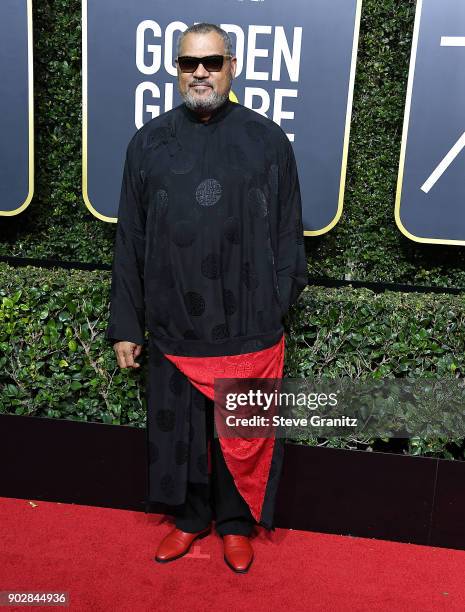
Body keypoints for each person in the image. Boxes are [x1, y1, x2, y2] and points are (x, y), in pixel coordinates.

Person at [105, 22, 308, 574]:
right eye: (189, 63)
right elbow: (131, 238)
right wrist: (128, 324)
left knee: (239, 433)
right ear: (176, 70)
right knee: (183, 431)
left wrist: (276, 303)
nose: (201, 72)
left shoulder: (268, 141)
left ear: (232, 68)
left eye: (213, 62)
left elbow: (290, 233)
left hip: (248, 324)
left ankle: (236, 523)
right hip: (173, 323)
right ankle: (192, 518)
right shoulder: (147, 144)